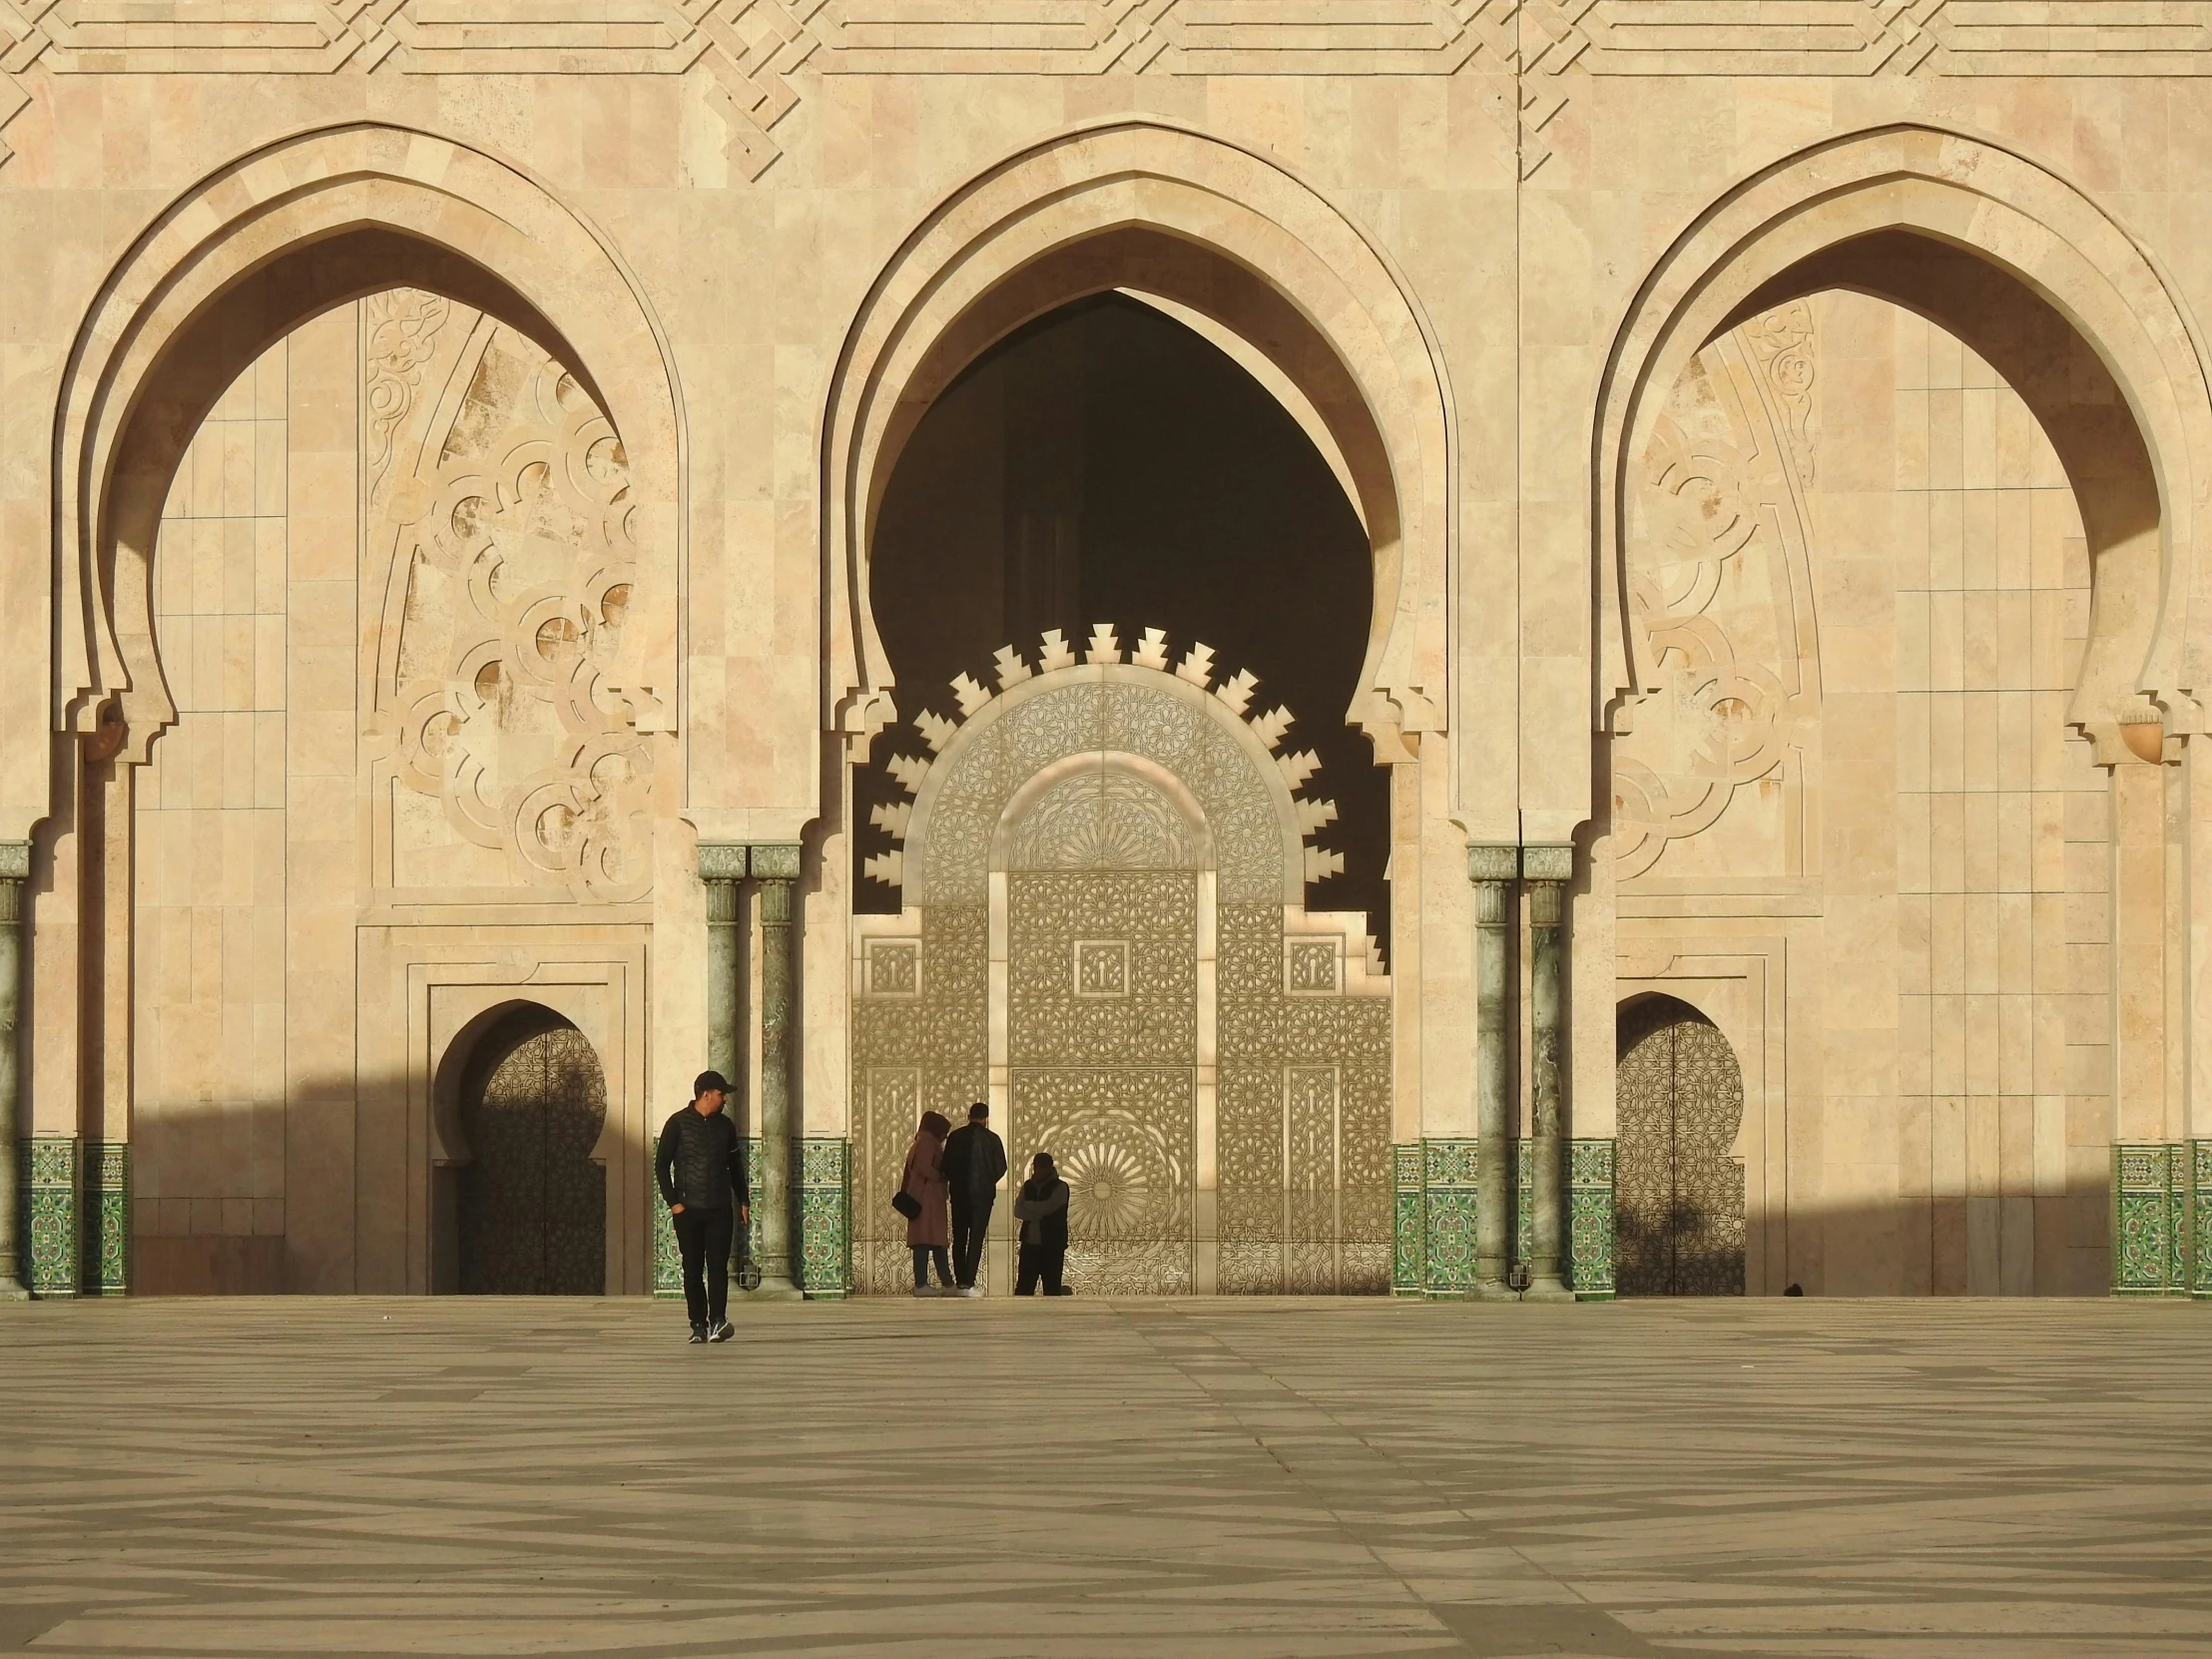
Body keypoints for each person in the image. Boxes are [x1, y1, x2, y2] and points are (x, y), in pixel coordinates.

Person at [656, 1070, 749, 1344]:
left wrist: (742, 1199)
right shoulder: (677, 1124)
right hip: (688, 1211)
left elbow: (735, 1167)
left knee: (718, 1267)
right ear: (706, 1094)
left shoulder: (725, 1126)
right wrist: (675, 1204)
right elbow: (662, 1166)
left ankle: (718, 1321)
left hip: (719, 1208)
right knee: (693, 1269)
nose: (724, 1100)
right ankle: (698, 1324)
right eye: (721, 1095)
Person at [939, 1102, 1007, 1297]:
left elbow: (947, 1166)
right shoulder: (992, 1139)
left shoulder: (955, 1137)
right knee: (976, 1237)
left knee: (959, 1237)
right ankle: (969, 1283)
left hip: (960, 1194)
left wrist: (958, 1181)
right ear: (986, 1118)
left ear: (969, 1116)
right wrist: (986, 1181)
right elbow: (1001, 1167)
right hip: (983, 1197)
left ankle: (960, 1282)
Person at [901, 1110, 954, 1296]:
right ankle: (922, 1283)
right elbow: (923, 1167)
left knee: (936, 1241)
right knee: (924, 1241)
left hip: (929, 1197)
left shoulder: (923, 1142)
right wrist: (941, 1175)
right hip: (926, 1198)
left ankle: (947, 1283)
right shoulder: (926, 1144)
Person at [1012, 1150, 1071, 1296]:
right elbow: (1018, 1211)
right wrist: (1038, 1213)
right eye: (1037, 1167)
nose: (1038, 1171)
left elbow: (1049, 1207)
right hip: (1029, 1244)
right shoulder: (1028, 1186)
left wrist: (1030, 1205)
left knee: (1051, 1287)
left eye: (1042, 1167)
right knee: (1024, 1287)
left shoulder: (1060, 1187)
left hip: (1052, 1244)